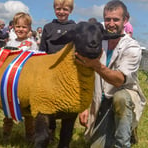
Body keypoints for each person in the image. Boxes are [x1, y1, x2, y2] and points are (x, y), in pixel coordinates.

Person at [77, 0, 146, 147]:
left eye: (116, 19)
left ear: (125, 20)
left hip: (121, 95)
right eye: (108, 19)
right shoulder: (98, 37)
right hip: (101, 100)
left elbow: (119, 80)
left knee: (120, 98)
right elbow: (84, 72)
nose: (111, 23)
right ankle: (122, 129)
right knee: (96, 145)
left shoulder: (132, 47)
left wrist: (96, 65)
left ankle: (123, 142)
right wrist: (83, 106)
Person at [39, 0, 76, 141]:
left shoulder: (75, 27)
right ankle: (50, 130)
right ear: (54, 9)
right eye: (58, 9)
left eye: (65, 9)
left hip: (67, 72)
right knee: (49, 101)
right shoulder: (48, 27)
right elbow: (42, 50)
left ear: (70, 10)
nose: (61, 12)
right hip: (50, 70)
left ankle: (66, 133)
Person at [3, 12, 38, 139]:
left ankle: (30, 134)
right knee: (9, 105)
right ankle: (6, 132)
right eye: (18, 26)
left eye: (24, 27)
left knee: (28, 110)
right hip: (11, 81)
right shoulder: (10, 43)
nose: (20, 29)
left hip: (26, 81)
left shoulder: (32, 44)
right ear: (13, 27)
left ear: (29, 28)